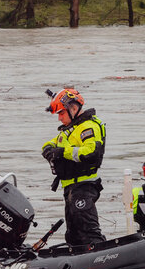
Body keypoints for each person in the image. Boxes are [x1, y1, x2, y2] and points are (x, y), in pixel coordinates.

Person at [41, 88, 107, 246]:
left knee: (88, 230)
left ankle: (99, 256)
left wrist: (63, 152)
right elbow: (54, 142)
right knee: (73, 233)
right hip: (71, 187)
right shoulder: (71, 129)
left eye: (61, 113)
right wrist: (49, 149)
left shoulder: (87, 127)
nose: (59, 118)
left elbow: (91, 152)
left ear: (73, 108)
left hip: (84, 186)